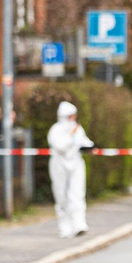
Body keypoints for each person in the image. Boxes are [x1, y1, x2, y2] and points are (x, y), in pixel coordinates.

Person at [47, 101, 93, 238]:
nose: (74, 119)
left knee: (77, 193)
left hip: (76, 163)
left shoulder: (79, 129)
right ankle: (65, 227)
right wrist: (70, 135)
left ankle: (79, 223)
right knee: (61, 195)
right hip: (59, 163)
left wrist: (91, 147)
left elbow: (85, 142)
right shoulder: (55, 130)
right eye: (71, 116)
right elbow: (60, 147)